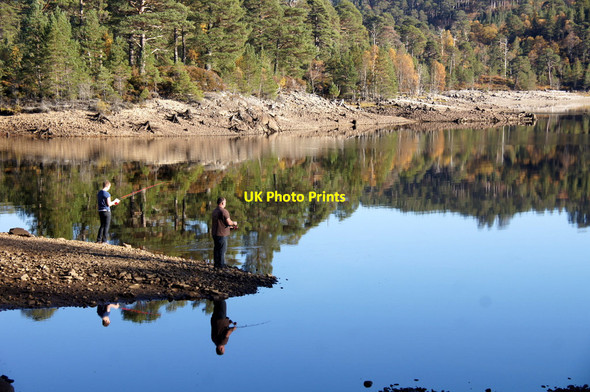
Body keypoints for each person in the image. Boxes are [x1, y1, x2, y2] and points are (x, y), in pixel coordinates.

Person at [211, 197, 237, 269]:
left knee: (216, 249)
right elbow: (229, 222)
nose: (225, 204)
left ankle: (216, 264)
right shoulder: (224, 211)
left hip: (215, 233)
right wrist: (234, 223)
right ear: (222, 203)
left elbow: (221, 223)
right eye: (225, 202)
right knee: (222, 250)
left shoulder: (214, 211)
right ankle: (221, 265)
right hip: (221, 234)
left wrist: (230, 228)